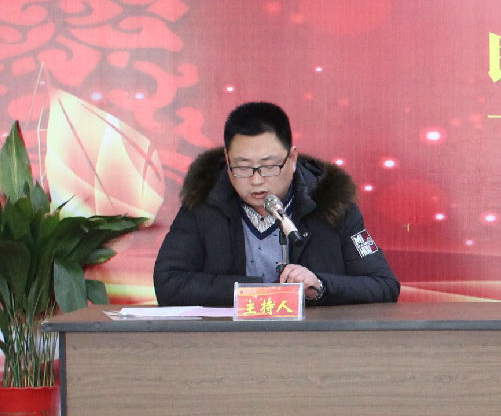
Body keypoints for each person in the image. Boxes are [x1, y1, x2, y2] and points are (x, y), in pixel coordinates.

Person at [154, 101, 400, 307]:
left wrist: (320, 286)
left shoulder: (332, 202)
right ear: (227, 161)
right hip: (231, 343)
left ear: (292, 158)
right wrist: (261, 291)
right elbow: (168, 283)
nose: (256, 180)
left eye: (269, 166)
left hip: (313, 343)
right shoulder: (204, 204)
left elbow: (384, 285)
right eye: (243, 167)